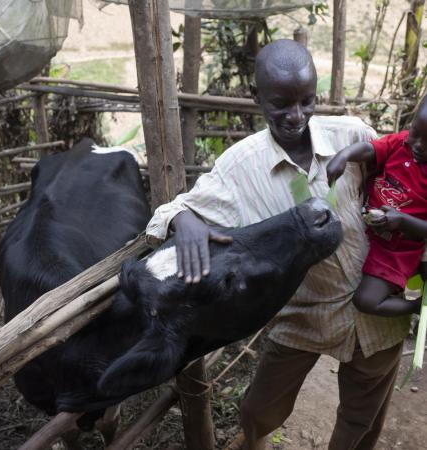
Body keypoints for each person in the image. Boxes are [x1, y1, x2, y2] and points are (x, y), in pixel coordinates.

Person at [146, 39, 416, 450]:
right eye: (281, 104)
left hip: (375, 310)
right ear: (257, 98)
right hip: (301, 315)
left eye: (307, 102)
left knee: (361, 418)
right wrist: (183, 221)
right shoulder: (239, 167)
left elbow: (409, 184)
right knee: (258, 411)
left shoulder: (354, 134)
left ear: (316, 95)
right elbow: (170, 211)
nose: (296, 116)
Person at [327, 95, 427, 318]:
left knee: (366, 301)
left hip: (396, 250)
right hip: (367, 229)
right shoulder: (402, 144)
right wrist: (344, 155)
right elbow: (371, 149)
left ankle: (415, 305)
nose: (418, 145)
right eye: (415, 133)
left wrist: (401, 220)